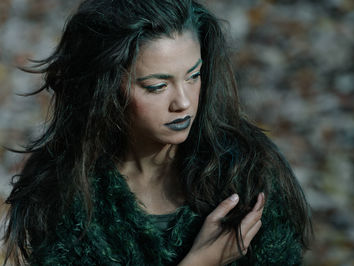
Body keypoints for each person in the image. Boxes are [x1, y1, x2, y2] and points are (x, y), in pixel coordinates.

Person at [2, 0, 312, 265]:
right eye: (157, 86)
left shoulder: (244, 171)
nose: (183, 102)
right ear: (105, 90)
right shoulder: (61, 191)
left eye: (194, 76)